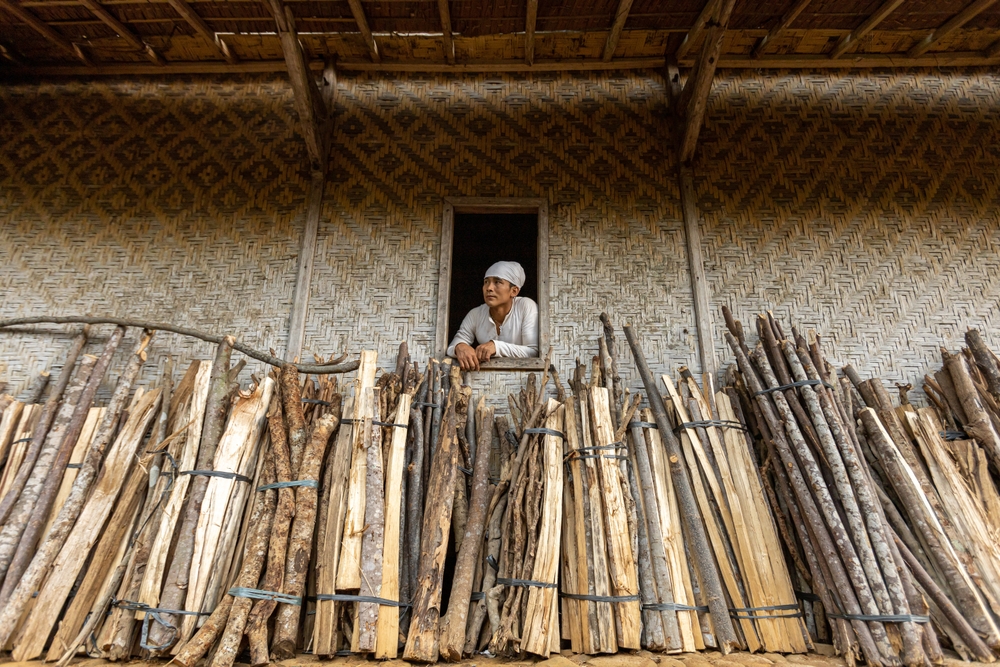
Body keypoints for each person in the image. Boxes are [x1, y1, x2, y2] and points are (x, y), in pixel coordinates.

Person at [447, 261, 539, 371]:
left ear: (514, 291)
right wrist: (460, 347)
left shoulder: (526, 306)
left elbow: (533, 352)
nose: (489, 288)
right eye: (486, 282)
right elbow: (451, 347)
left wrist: (496, 347)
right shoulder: (475, 314)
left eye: (497, 282)